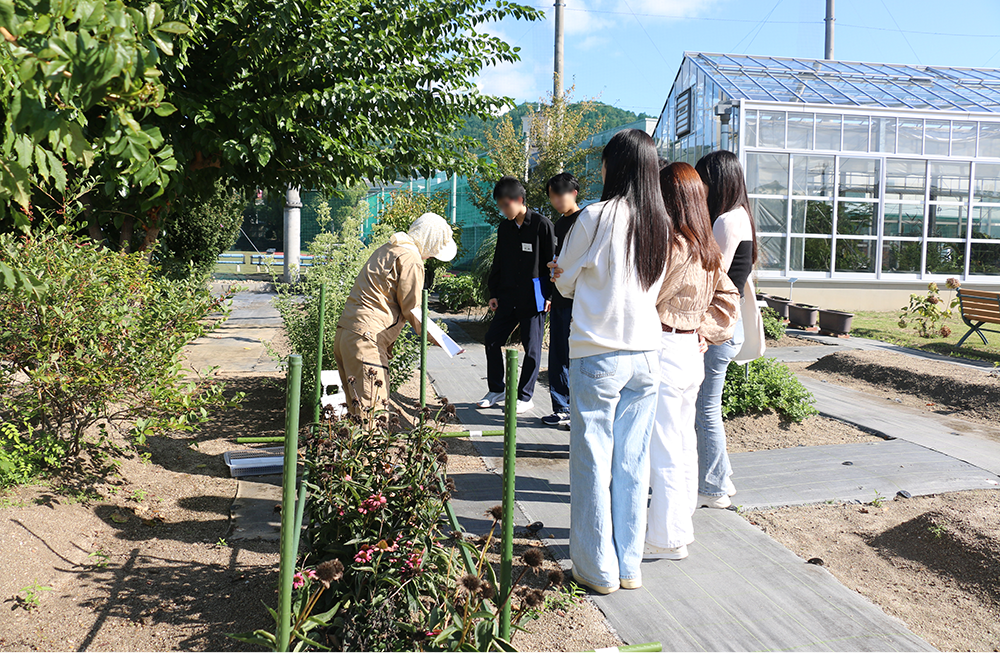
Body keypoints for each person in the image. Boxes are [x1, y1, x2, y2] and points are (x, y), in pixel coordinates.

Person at [550, 129, 670, 595]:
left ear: (615, 167)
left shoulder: (595, 217)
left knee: (593, 459)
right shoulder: (660, 221)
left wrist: (571, 276)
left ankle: (597, 569)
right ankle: (629, 566)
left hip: (598, 351)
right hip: (646, 354)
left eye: (603, 163)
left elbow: (563, 282)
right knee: (632, 462)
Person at [645, 162, 739, 561]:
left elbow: (644, 298)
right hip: (688, 351)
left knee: (664, 446)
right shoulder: (706, 246)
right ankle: (679, 525)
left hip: (664, 346)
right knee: (682, 442)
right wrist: (702, 328)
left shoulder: (669, 244)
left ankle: (670, 537)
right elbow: (729, 299)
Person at [334, 213, 457, 413]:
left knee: (356, 412)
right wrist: (443, 340)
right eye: (434, 251)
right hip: (367, 339)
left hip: (346, 334)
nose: (432, 256)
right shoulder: (411, 258)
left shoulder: (388, 248)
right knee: (372, 414)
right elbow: (413, 310)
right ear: (430, 242)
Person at [693, 150, 759, 509]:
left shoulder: (725, 222)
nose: (701, 186)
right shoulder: (743, 217)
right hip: (729, 327)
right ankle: (723, 477)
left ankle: (713, 487)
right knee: (708, 406)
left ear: (718, 180)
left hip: (715, 328)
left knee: (705, 408)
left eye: (704, 178)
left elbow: (707, 276)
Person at [478, 176, 556, 415]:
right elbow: (498, 261)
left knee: (532, 347)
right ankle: (496, 389)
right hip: (508, 296)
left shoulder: (542, 225)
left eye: (505, 205)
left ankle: (525, 396)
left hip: (534, 296)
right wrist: (494, 292)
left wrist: (550, 296)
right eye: (500, 206)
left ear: (519, 200)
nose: (503, 211)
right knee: (492, 340)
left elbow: (553, 263)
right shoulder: (505, 227)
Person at [542, 172, 582, 428]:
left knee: (577, 356)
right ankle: (561, 406)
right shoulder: (558, 224)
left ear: (574, 193)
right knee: (557, 353)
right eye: (552, 196)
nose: (557, 200)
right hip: (559, 296)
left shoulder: (586, 221)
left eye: (560, 194)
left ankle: (577, 410)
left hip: (580, 299)